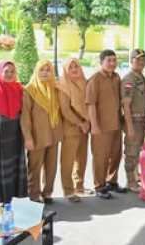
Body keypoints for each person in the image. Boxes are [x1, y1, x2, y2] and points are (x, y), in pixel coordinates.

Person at [0, 61, 27, 204]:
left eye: (12, 71)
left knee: (15, 170)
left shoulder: (20, 90)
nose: (9, 74)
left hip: (16, 138)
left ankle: (15, 201)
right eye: (6, 71)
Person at [21, 60, 62, 204]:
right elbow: (25, 117)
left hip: (54, 134)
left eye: (48, 70)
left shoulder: (54, 89)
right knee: (35, 167)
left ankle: (47, 193)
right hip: (37, 136)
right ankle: (34, 195)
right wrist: (28, 137)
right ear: (36, 72)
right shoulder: (29, 90)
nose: (45, 72)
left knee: (51, 166)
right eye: (42, 70)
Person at [86, 49, 125, 199]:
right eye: (109, 60)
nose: (112, 63)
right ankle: (99, 185)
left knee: (116, 154)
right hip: (101, 126)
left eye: (114, 60)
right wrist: (94, 125)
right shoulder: (95, 80)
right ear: (101, 62)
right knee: (100, 157)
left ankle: (112, 181)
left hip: (116, 124)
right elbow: (91, 104)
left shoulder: (116, 77)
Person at [57, 58, 91, 202]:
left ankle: (79, 185)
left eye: (76, 66)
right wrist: (80, 122)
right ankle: (68, 190)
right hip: (71, 127)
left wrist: (88, 121)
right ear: (65, 70)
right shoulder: (63, 86)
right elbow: (65, 110)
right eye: (70, 67)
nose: (74, 69)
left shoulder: (86, 82)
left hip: (86, 126)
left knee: (82, 158)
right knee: (68, 160)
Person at [121, 49, 145, 193]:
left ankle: (135, 175)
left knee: (137, 150)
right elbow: (126, 104)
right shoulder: (129, 79)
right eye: (138, 59)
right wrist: (130, 127)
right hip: (133, 120)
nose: (141, 62)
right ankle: (130, 181)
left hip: (142, 120)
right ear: (131, 61)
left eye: (143, 59)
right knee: (131, 151)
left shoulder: (141, 77)